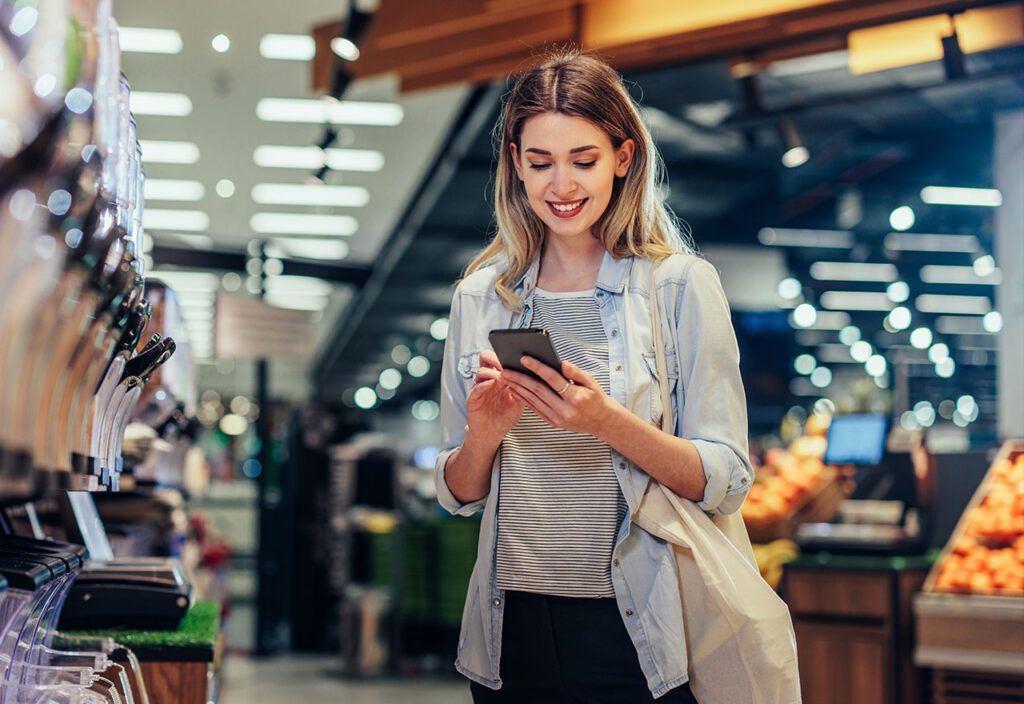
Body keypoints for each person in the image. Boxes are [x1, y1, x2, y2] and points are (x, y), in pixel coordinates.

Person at [434, 49, 755, 703]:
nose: (562, 186)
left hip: (640, 632)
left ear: (624, 157)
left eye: (583, 160)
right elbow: (456, 492)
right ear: (515, 164)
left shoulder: (680, 288)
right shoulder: (479, 298)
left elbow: (725, 480)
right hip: (510, 629)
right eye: (540, 162)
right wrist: (484, 437)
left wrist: (604, 420)